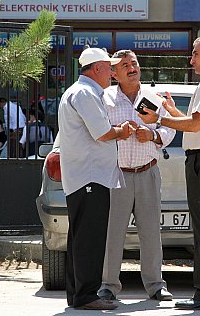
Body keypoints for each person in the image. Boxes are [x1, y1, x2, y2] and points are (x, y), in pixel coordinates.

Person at [138, 34, 200, 310]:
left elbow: (194, 126)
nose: (191, 59)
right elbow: (199, 122)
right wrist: (170, 109)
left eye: (195, 53)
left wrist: (157, 118)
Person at [58, 47, 135, 310]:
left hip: (86, 176)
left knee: (81, 237)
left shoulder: (83, 92)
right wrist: (122, 131)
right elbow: (102, 133)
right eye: (110, 67)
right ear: (97, 68)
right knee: (89, 238)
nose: (113, 73)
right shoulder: (84, 93)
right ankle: (87, 295)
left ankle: (79, 295)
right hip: (89, 177)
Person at [97, 50, 176, 302]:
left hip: (147, 172)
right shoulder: (105, 98)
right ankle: (108, 285)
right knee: (112, 232)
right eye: (125, 65)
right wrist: (119, 131)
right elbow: (97, 130)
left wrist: (152, 135)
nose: (132, 68)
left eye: (134, 63)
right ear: (113, 73)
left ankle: (155, 285)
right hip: (115, 174)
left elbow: (170, 128)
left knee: (151, 231)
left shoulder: (153, 97)